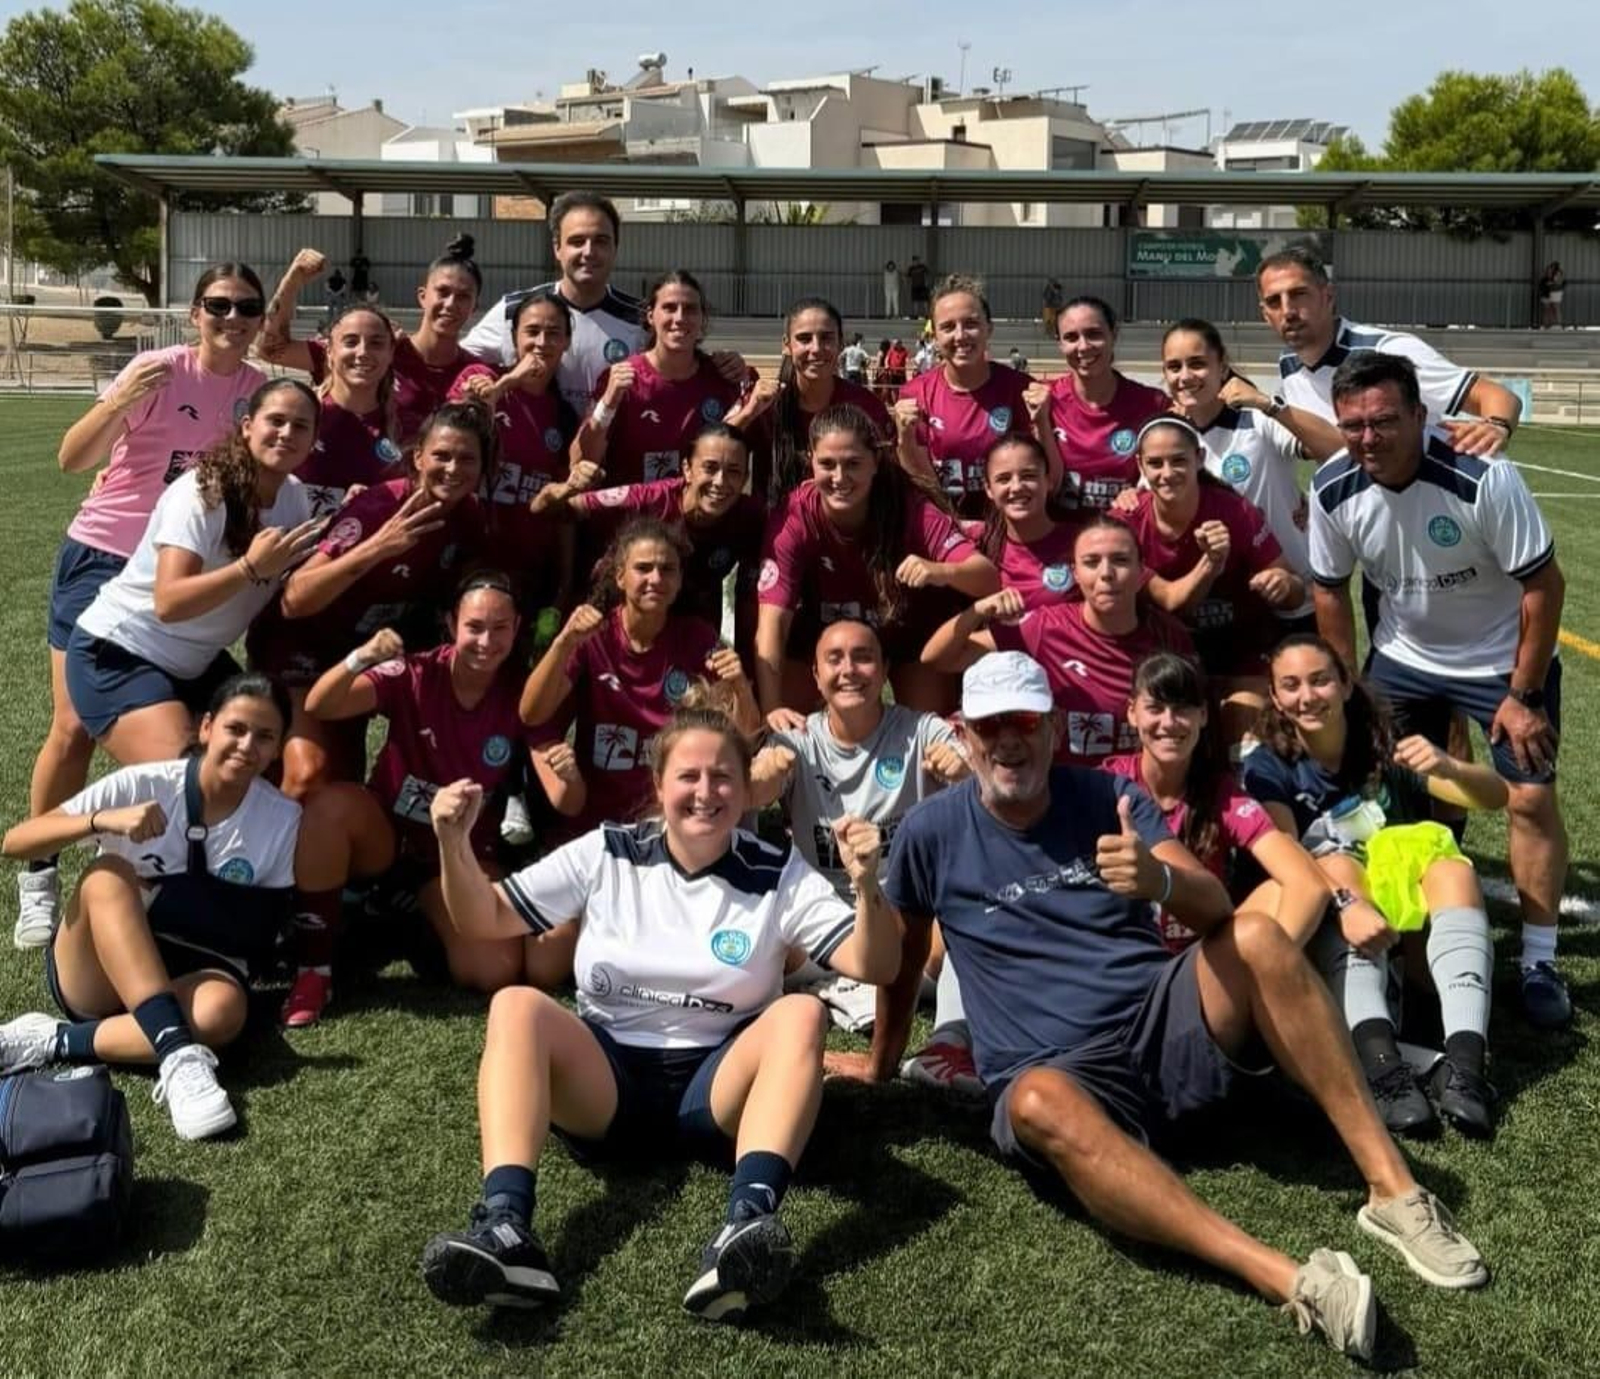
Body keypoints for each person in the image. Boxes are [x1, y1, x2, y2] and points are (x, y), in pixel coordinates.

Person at [860, 649, 1487, 1362]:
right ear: (964, 733)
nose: (1009, 738)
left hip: (1161, 1024)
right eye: (991, 723)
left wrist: (1156, 878)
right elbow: (903, 962)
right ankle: (1289, 1278)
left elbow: (1216, 903)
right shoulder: (929, 831)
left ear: (1053, 726)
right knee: (1033, 1100)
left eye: (1026, 721)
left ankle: (1394, 1190)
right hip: (1058, 1072)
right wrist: (880, 1063)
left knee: (1256, 933)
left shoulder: (1104, 798)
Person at [417, 705, 901, 1319]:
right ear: (659, 785)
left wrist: (867, 887)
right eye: (689, 777)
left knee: (802, 1014)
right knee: (516, 1005)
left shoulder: (776, 871)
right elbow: (482, 919)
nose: (706, 792)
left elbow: (877, 964)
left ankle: (744, 1228)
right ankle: (507, 1228)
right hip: (607, 1083)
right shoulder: (606, 852)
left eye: (723, 777)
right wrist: (452, 843)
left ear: (746, 786)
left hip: (717, 1090)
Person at [1308, 351, 1570, 1029]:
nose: (1369, 437)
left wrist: (1526, 694)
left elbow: (1545, 585)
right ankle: (1413, 942)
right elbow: (1330, 589)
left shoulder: (1482, 476)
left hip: (1499, 661)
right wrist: (1347, 683)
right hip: (1404, 658)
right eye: (1354, 424)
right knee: (1391, 797)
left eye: (1385, 421)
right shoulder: (1334, 486)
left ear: (1420, 417)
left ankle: (1539, 959)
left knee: (1531, 796)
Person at [19, 263, 270, 950]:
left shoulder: (258, 391)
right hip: (103, 556)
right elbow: (73, 459)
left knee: (198, 719)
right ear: (195, 313)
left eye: (247, 307)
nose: (233, 318)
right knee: (71, 726)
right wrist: (115, 401)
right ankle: (39, 875)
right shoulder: (158, 369)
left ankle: (179, 876)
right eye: (218, 305)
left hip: (176, 568)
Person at [0, 673, 301, 1141]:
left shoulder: (282, 819)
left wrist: (173, 898)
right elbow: (16, 842)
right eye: (235, 729)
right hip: (100, 972)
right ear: (206, 728)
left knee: (223, 1013)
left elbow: (256, 935)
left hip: (199, 970)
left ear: (279, 748)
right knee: (108, 876)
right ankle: (179, 1055)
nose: (247, 746)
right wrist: (99, 821)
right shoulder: (142, 784)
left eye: (264, 737)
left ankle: (54, 1039)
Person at [285, 574, 585, 1021]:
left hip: (460, 856)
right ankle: (312, 967)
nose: (487, 640)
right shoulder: (416, 671)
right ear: (451, 624)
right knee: (331, 808)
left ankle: (402, 918)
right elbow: (320, 706)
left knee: (494, 971)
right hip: (387, 840)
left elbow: (568, 802)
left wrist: (570, 775)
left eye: (500, 628)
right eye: (475, 627)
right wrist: (360, 658)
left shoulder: (523, 693)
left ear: (518, 627)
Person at [1243, 635, 1505, 1139]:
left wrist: (1448, 766)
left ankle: (1467, 1069)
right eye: (1291, 686)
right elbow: (1287, 855)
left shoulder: (1382, 745)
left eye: (1320, 680)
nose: (1307, 696)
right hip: (1330, 923)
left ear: (1345, 684)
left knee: (1454, 869)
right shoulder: (1267, 765)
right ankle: (1385, 1074)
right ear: (1275, 697)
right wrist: (1345, 904)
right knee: (1337, 863)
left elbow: (1496, 796)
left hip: (1408, 938)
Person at [64, 380, 323, 769]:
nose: (287, 433)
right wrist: (248, 568)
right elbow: (169, 603)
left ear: (314, 438)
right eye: (276, 420)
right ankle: (89, 828)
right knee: (191, 776)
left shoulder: (294, 497)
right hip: (121, 651)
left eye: (301, 426)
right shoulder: (205, 491)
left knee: (270, 763)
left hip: (195, 663)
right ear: (248, 425)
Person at [248, 402, 492, 799]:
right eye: (441, 456)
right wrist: (377, 548)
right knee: (309, 774)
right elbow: (294, 600)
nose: (453, 468)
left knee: (343, 785)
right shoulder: (379, 508)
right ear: (418, 457)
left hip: (359, 659)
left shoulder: (469, 518)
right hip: (300, 650)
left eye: (467, 459)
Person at [751, 620, 967, 1030]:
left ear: (885, 671)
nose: (848, 669)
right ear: (815, 675)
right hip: (819, 934)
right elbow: (752, 794)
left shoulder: (922, 730)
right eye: (834, 659)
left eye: (863, 657)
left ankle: (942, 1030)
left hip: (908, 934)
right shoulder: (795, 739)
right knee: (757, 926)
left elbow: (980, 781)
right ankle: (845, 983)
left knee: (963, 920)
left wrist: (962, 769)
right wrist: (764, 774)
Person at [521, 518, 759, 838]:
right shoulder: (592, 637)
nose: (656, 579)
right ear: (620, 575)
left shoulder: (697, 638)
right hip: (599, 824)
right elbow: (531, 713)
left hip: (671, 822)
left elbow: (747, 736)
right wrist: (563, 643)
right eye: (643, 568)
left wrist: (740, 687)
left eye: (667, 569)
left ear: (679, 580)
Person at [756, 404, 999, 717]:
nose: (839, 477)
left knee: (929, 730)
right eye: (827, 464)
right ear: (810, 462)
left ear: (875, 462)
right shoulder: (794, 516)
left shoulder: (910, 508)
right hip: (831, 636)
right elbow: (771, 624)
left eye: (853, 463)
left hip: (910, 640)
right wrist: (772, 710)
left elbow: (987, 577)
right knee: (788, 711)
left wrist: (941, 570)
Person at [923, 513, 1193, 769]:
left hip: (1137, 798)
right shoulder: (1045, 627)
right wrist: (977, 611)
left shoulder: (1169, 637)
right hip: (1061, 798)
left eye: (1120, 560)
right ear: (1075, 573)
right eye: (1091, 562)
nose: (1106, 573)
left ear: (1140, 570)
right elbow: (940, 658)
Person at [1107, 652, 1332, 954]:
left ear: (1203, 715)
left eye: (1183, 708)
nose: (1169, 722)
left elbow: (1308, 884)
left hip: (1201, 963)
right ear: (1132, 713)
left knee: (1277, 891)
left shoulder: (1222, 794)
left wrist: (1273, 967)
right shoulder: (1106, 784)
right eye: (1155, 708)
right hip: (1123, 958)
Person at [1160, 318, 1341, 635]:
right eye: (1174, 367)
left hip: (1289, 596)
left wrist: (1269, 404)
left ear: (1222, 365)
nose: (1185, 376)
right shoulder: (1168, 436)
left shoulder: (1257, 419)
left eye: (1198, 363)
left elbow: (1340, 451)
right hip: (1218, 606)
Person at [1257, 245, 1522, 457]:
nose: (1288, 311)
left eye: (1299, 294)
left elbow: (1494, 395)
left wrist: (1496, 426)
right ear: (1265, 315)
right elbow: (1335, 447)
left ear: (1328, 297)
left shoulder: (1388, 351)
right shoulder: (1289, 365)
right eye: (1274, 301)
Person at [538, 422, 763, 647]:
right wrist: (561, 491)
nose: (720, 482)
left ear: (745, 479)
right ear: (687, 469)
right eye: (710, 468)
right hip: (614, 616)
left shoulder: (750, 516)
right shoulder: (650, 500)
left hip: (688, 625)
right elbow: (551, 509)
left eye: (733, 471)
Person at [1122, 418, 1303, 694]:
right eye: (1155, 463)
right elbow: (1174, 604)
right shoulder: (1126, 523)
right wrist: (1212, 562)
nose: (1167, 473)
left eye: (1178, 460)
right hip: (1161, 653)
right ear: (1140, 465)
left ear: (1199, 458)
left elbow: (1295, 593)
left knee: (1244, 711)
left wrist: (1282, 583)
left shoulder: (1236, 511)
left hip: (1239, 646)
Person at [260, 237, 484, 444]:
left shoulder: (477, 375)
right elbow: (270, 350)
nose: (451, 304)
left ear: (475, 306)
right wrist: (292, 281)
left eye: (463, 296)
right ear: (422, 296)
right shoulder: (375, 350)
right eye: (443, 292)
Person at [571, 270, 765, 490]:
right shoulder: (620, 380)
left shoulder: (723, 377)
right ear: (650, 315)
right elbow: (581, 459)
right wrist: (607, 403)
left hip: (699, 521)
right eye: (669, 308)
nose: (680, 318)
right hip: (633, 521)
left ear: (703, 318)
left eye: (690, 309)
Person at [449, 290, 581, 603]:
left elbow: (564, 508)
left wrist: (565, 579)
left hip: (529, 572)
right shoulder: (480, 379)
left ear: (567, 342)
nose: (541, 342)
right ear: (514, 337)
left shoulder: (564, 415)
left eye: (553, 334)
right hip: (468, 562)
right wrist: (508, 383)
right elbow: (454, 437)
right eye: (532, 332)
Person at [463, 190, 643, 417]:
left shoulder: (641, 319)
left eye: (601, 241)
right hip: (532, 448)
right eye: (577, 241)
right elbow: (458, 362)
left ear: (615, 248)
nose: (589, 252)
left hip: (607, 449)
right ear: (557, 248)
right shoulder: (514, 310)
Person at [894, 275, 1045, 517]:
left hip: (1009, 531)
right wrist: (905, 440)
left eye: (971, 324)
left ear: (989, 328)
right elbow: (918, 480)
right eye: (948, 327)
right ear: (934, 336)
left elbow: (1039, 472)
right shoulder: (915, 394)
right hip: (947, 530)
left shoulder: (1021, 390)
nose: (960, 335)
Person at [748, 297, 889, 505]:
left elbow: (888, 479)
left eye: (826, 338)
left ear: (840, 343)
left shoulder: (865, 406)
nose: (816, 348)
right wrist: (748, 413)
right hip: (779, 530)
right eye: (804, 339)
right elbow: (713, 452)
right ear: (786, 345)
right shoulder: (764, 405)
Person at [1042, 295, 1169, 512]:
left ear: (1114, 334)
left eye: (1094, 334)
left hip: (1123, 538)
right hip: (1061, 539)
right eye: (1071, 337)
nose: (1083, 346)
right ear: (1060, 344)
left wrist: (1143, 490)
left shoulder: (1153, 404)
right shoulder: (1043, 400)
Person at [971, 434, 1082, 610]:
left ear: (1048, 480)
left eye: (1028, 476)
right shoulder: (977, 542)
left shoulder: (1082, 542)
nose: (1016, 487)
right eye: (1004, 479)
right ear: (988, 489)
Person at [1538, 261, 1565, 329]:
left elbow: (1559, 283)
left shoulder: (1557, 274)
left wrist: (1552, 284)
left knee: (1555, 308)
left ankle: (1556, 324)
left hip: (1554, 293)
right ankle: (1547, 324)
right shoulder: (1545, 279)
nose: (1550, 271)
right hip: (1548, 294)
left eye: (1552, 269)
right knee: (1548, 309)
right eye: (1549, 270)